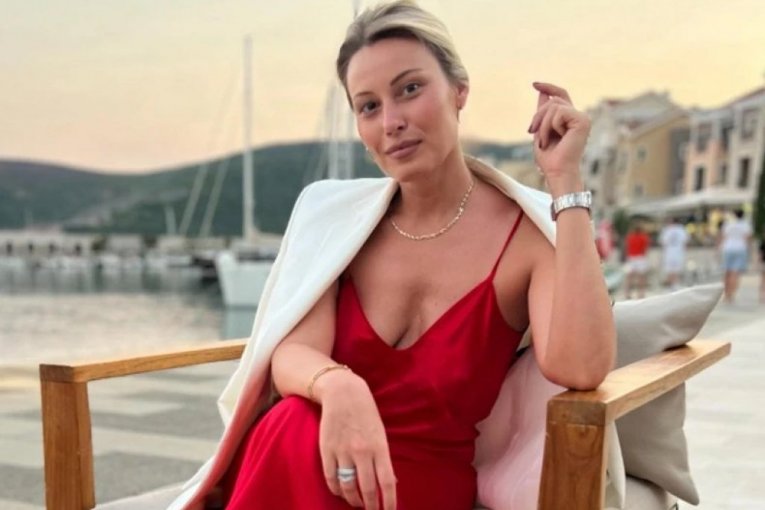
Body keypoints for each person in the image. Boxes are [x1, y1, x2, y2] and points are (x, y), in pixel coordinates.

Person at [170, 2, 615, 509]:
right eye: (368, 106)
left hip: (421, 488)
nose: (392, 122)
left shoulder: (526, 235)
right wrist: (340, 388)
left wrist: (565, 181)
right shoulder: (337, 221)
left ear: (459, 90)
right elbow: (291, 355)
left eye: (409, 89)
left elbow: (581, 367)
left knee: (295, 427)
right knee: (293, 421)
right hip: (317, 458)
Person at [719, 209, 752, 303]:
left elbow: (723, 237)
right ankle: (731, 294)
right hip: (740, 248)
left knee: (726, 272)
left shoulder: (728, 224)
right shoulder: (745, 225)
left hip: (727, 248)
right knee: (735, 273)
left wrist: (719, 249)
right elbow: (747, 238)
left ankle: (725, 293)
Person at [659, 216, 689, 290]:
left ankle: (672, 284)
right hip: (678, 252)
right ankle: (674, 284)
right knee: (676, 269)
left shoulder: (667, 229)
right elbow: (685, 241)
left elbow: (663, 242)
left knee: (670, 269)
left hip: (669, 252)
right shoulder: (682, 229)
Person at [624, 223, 651, 299]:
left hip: (631, 257)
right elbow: (646, 248)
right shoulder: (644, 237)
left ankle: (627, 293)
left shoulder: (630, 237)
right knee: (641, 277)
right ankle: (641, 293)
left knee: (629, 277)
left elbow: (627, 247)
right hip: (640, 257)